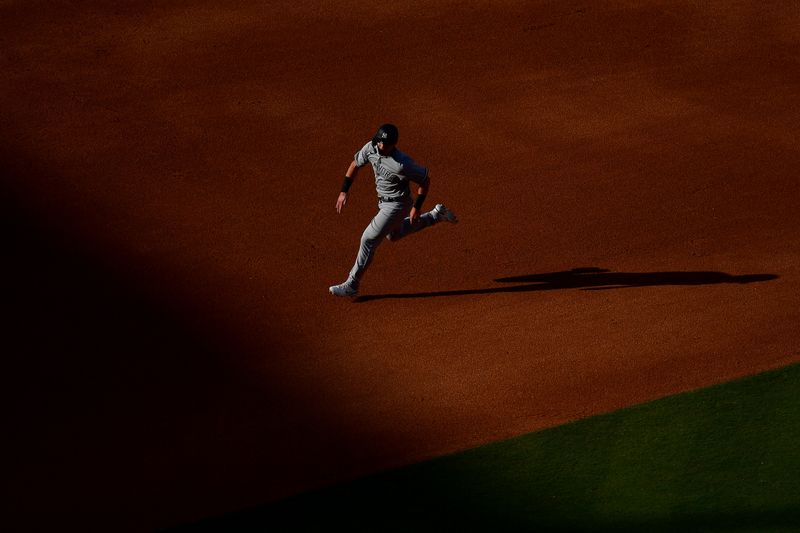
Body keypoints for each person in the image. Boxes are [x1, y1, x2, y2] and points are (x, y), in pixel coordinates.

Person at [329, 123, 458, 297]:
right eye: (378, 142)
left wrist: (416, 208)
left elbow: (425, 181)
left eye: (383, 143)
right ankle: (435, 215)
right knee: (393, 235)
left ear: (392, 145)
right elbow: (355, 164)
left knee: (368, 239)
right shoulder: (371, 148)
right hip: (383, 202)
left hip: (398, 205)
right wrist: (344, 191)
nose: (379, 145)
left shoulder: (402, 164)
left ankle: (352, 283)